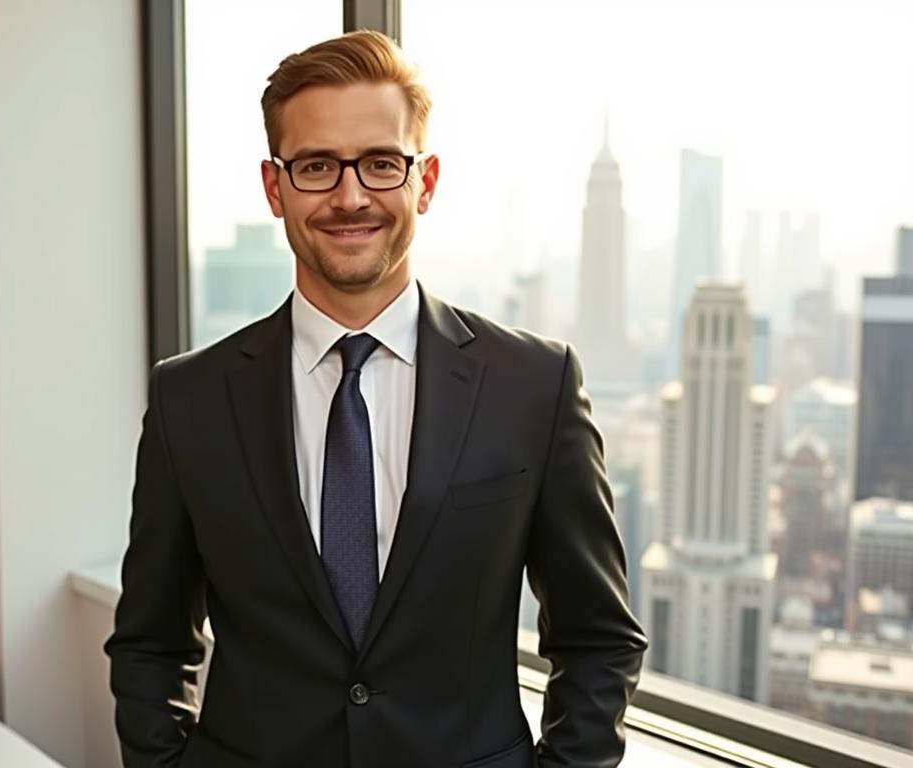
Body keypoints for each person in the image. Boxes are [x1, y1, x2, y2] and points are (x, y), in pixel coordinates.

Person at [105, 30, 647, 768]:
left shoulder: (533, 386)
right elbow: (150, 644)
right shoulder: (188, 400)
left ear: (425, 181)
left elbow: (598, 639)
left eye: (382, 164)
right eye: (316, 166)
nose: (351, 196)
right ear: (274, 187)